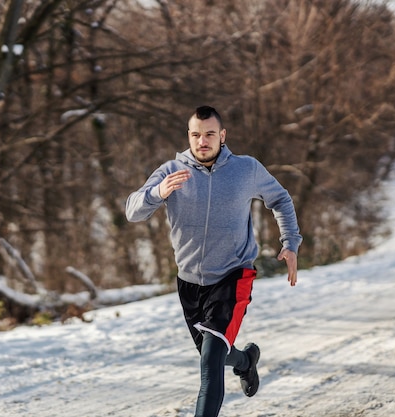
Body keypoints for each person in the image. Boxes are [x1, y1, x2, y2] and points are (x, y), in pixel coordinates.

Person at [125, 106, 302, 417]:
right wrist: (157, 192)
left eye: (209, 134)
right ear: (189, 137)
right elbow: (132, 210)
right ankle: (246, 361)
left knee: (209, 365)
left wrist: (290, 243)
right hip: (190, 282)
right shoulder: (171, 171)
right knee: (215, 355)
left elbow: (280, 199)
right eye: (196, 134)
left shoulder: (246, 169)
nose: (202, 141)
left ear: (222, 136)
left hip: (233, 276)